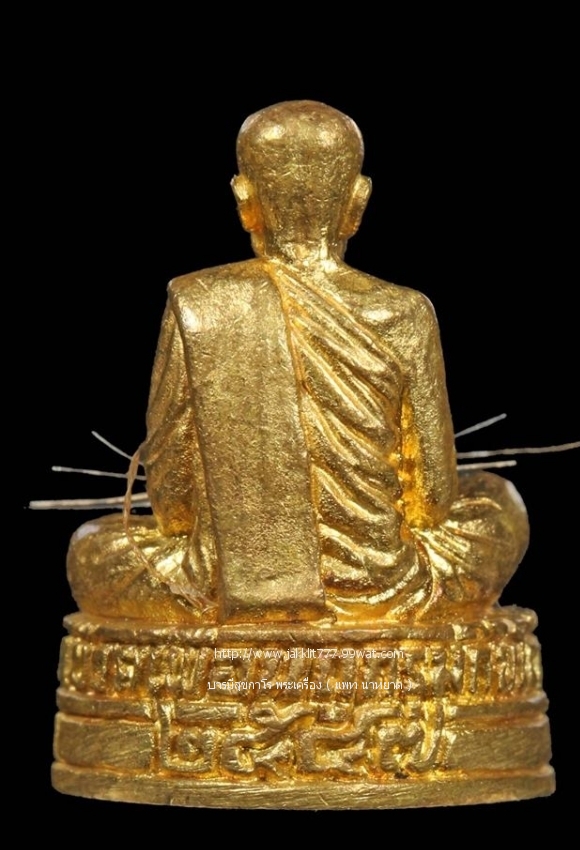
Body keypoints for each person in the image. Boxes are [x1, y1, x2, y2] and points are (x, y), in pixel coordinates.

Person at [67, 100, 529, 624]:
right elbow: (434, 502)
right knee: (497, 502)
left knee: (94, 549)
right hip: (384, 582)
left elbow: (172, 506)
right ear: (358, 201)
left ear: (244, 199)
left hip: (221, 583)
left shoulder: (198, 302)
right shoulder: (404, 312)